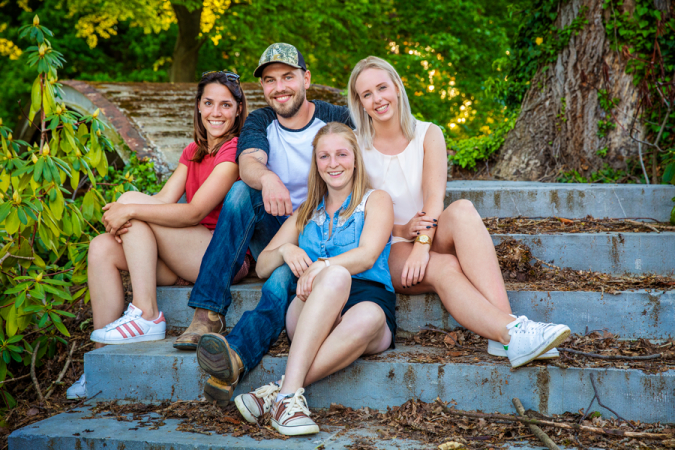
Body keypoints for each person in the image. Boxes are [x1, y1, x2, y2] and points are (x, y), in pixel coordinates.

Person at [348, 56, 570, 368]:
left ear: (397, 87)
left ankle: (505, 333)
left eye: (382, 87)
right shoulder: (355, 146)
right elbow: (357, 214)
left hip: (429, 229)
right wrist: (402, 232)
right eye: (366, 94)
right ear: (359, 102)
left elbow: (434, 200)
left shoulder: (428, 133)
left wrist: (423, 246)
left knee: (463, 209)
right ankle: (513, 333)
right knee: (445, 266)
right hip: (387, 245)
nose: (377, 99)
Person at [65, 71, 248, 399]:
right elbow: (164, 201)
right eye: (208, 103)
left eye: (225, 104)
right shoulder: (193, 150)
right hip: (184, 253)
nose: (216, 112)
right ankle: (97, 363)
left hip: (222, 258)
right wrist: (125, 211)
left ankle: (147, 314)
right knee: (102, 247)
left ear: (238, 110)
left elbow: (192, 212)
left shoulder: (234, 151)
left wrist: (128, 209)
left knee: (131, 203)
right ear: (198, 107)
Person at [188, 43, 353, 404]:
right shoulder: (261, 121)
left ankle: (233, 358)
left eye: (288, 77)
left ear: (306, 79)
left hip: (319, 235)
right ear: (263, 87)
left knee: (279, 283)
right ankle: (208, 311)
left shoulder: (337, 118)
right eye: (270, 80)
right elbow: (248, 163)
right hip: (277, 226)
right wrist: (267, 178)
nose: (279, 87)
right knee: (239, 191)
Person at [234, 122, 395, 436]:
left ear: (355, 160)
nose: (333, 163)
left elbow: (366, 255)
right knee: (334, 277)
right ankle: (288, 400)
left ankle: (280, 393)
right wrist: (287, 249)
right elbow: (264, 265)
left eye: (341, 154)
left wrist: (321, 264)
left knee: (362, 308)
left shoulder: (376, 201)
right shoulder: (306, 211)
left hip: (367, 303)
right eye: (324, 156)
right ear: (316, 163)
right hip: (310, 309)